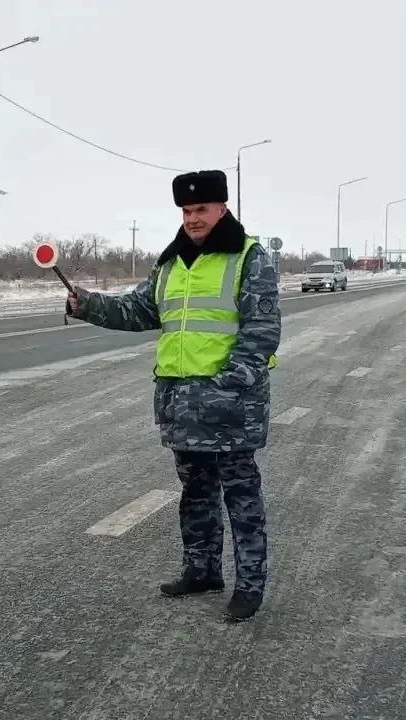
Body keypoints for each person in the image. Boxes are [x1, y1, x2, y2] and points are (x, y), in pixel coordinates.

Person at [66, 169, 280, 621]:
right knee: (196, 492)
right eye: (186, 211)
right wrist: (85, 303)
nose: (193, 219)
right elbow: (139, 310)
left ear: (222, 208)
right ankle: (201, 570)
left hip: (231, 405)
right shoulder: (170, 262)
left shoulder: (248, 257)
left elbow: (261, 332)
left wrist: (229, 386)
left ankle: (250, 584)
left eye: (201, 209)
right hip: (182, 402)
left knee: (241, 496)